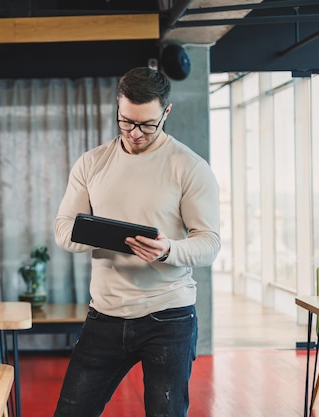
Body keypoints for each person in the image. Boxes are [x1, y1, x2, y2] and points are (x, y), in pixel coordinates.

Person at [53, 67, 220, 417]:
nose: (135, 133)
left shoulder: (189, 167)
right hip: (105, 314)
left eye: (147, 124)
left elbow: (209, 243)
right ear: (118, 108)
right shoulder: (91, 163)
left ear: (166, 112)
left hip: (169, 317)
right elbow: (63, 230)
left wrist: (169, 250)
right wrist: (103, 235)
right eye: (126, 122)